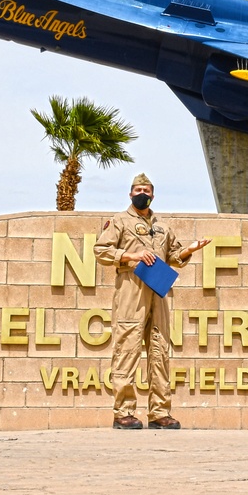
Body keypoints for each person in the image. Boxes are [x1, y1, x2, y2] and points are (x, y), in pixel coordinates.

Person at [94, 173, 212, 430]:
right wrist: (132, 254)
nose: (141, 193)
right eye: (137, 189)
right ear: (130, 194)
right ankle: (123, 412)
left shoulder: (163, 226)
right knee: (127, 348)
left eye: (145, 189)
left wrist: (190, 249)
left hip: (158, 290)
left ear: (153, 194)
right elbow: (101, 250)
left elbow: (173, 255)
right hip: (130, 290)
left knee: (159, 350)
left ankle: (160, 412)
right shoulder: (118, 221)